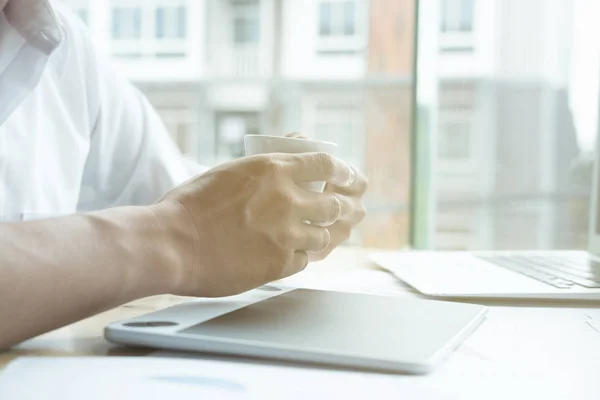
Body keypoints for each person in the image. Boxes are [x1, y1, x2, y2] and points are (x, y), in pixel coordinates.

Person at [0, 0, 367, 350]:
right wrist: (177, 240)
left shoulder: (62, 45)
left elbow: (174, 193)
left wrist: (286, 200)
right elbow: (180, 225)